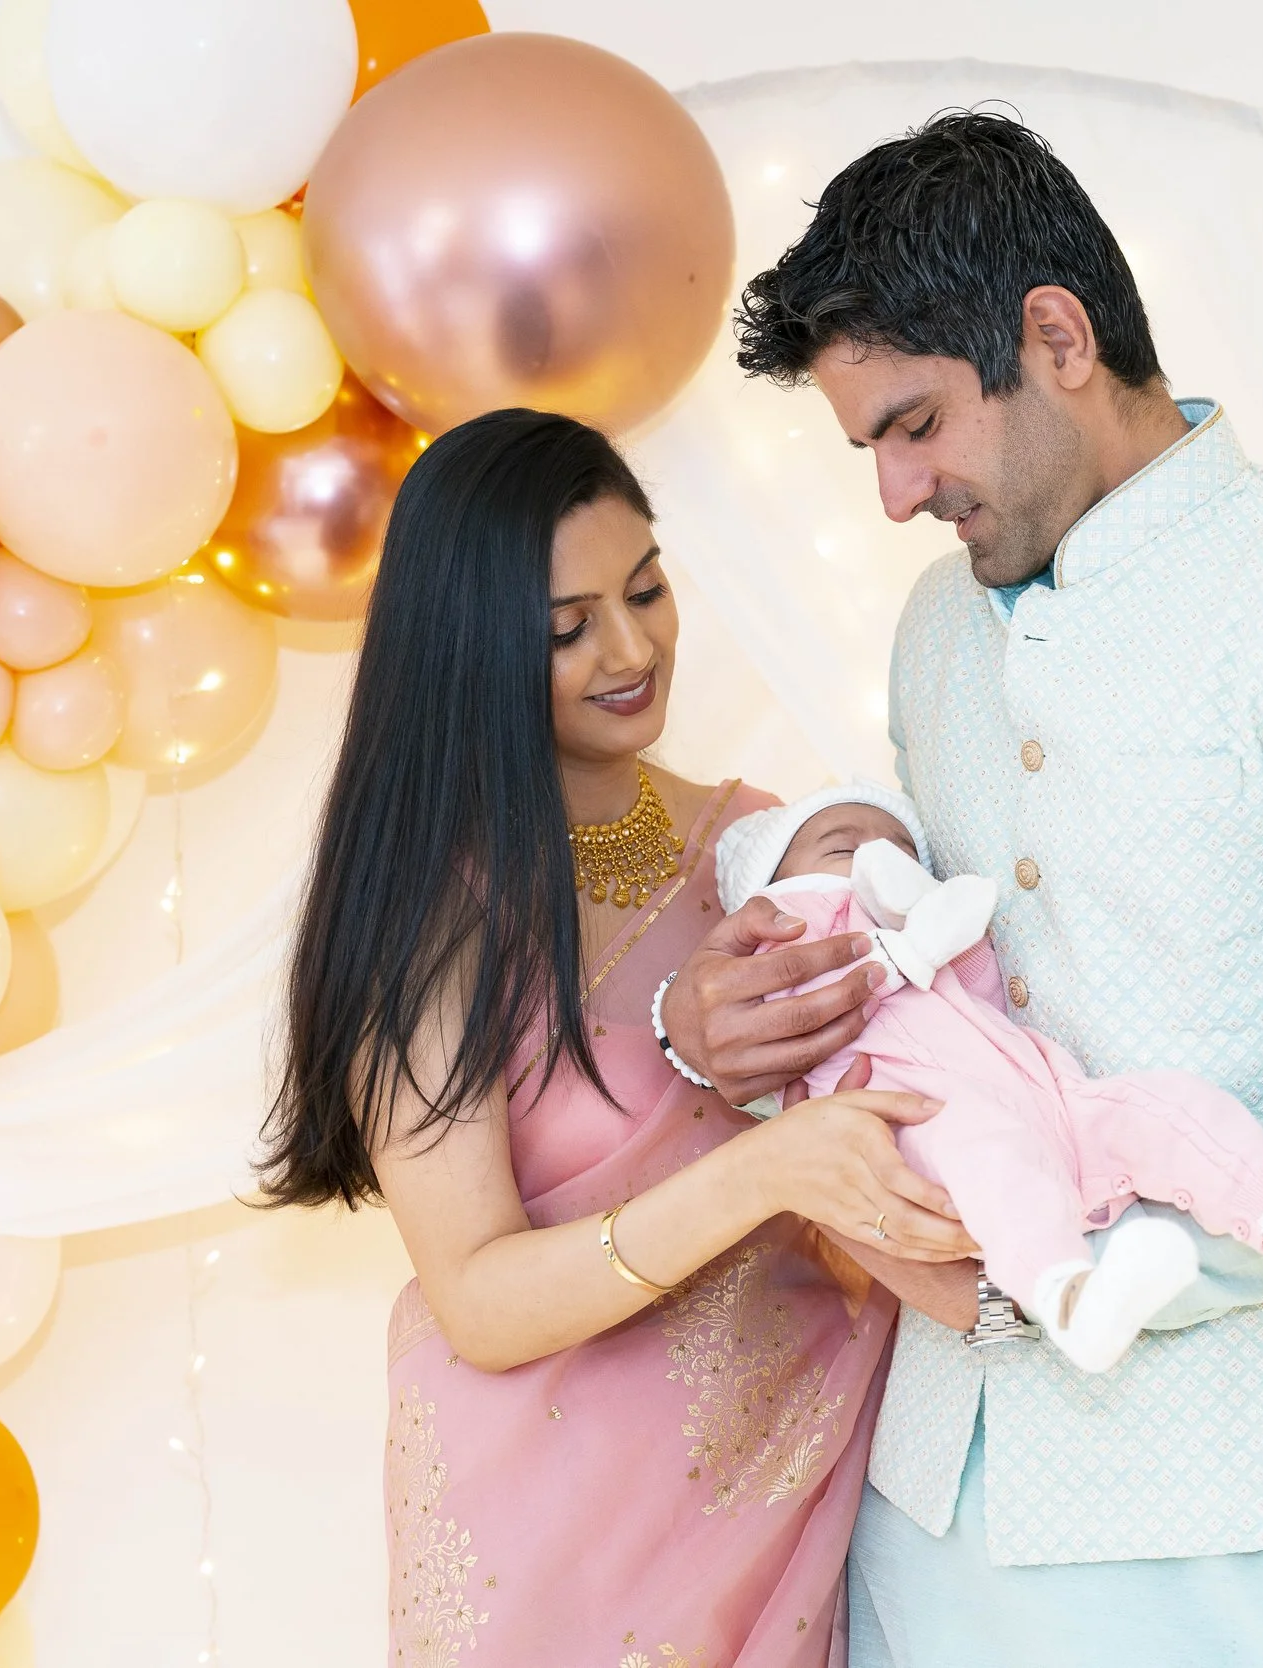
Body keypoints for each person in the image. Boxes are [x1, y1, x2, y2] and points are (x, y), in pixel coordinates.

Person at [661, 112, 1263, 1664]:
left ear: (1055, 337)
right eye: (869, 447)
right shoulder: (938, 627)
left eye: (915, 425)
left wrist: (1018, 1276)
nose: (897, 492)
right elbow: (955, 997)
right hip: (938, 1528)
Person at [255, 407, 977, 1668]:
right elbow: (475, 1296)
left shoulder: (764, 846)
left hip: (808, 1484)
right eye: (565, 628)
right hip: (555, 1537)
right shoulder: (430, 911)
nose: (631, 648)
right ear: (467, 650)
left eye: (645, 589)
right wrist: (760, 1170)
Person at [714, 781, 1263, 1373]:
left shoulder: (918, 938)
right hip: (935, 1129)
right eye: (844, 847)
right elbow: (789, 1026)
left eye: (900, 848)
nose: (878, 856)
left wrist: (940, 926)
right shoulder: (791, 939)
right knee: (991, 1150)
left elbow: (980, 990)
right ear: (774, 888)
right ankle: (1067, 1296)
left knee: (1160, 1105)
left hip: (1050, 1102)